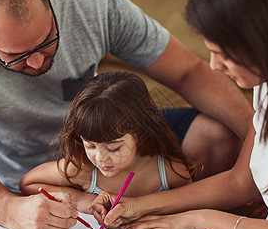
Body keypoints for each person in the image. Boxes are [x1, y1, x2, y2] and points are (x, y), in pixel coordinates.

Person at [0, 0, 252, 229]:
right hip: (26, 172)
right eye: (14, 56)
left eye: (46, 43)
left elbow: (189, 72)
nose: (35, 64)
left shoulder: (93, 3)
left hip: (109, 127)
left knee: (217, 136)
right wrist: (9, 210)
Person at [92, 0, 268, 229]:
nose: (214, 65)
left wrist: (201, 220)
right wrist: (140, 205)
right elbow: (240, 182)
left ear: (263, 41)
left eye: (223, 54)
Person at [19, 72, 200, 215]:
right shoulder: (82, 169)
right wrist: (83, 201)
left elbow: (192, 202)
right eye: (90, 146)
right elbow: (29, 183)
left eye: (114, 148)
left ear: (141, 133)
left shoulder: (170, 171)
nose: (100, 158)